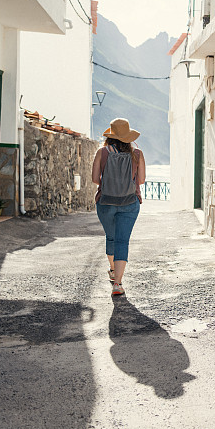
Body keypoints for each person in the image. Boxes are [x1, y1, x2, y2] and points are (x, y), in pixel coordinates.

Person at [91, 118, 146, 296]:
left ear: (110, 136)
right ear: (128, 137)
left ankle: (112, 269)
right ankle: (118, 284)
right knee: (123, 241)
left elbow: (94, 179)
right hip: (130, 203)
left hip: (105, 202)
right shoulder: (137, 154)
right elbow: (142, 180)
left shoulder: (102, 152)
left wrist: (108, 184)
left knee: (111, 236)